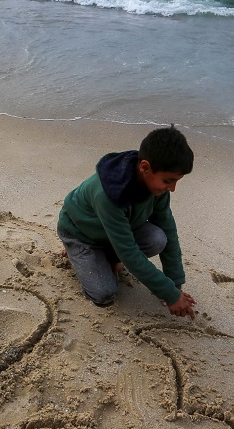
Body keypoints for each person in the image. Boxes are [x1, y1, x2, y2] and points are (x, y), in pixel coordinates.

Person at [57, 125, 197, 319]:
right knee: (104, 293)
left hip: (115, 230)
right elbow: (129, 252)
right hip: (81, 233)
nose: (172, 188)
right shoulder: (108, 195)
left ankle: (107, 257)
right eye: (168, 181)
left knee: (158, 238)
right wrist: (169, 294)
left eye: (176, 181)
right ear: (145, 167)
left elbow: (168, 228)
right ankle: (75, 250)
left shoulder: (157, 188)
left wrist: (173, 286)